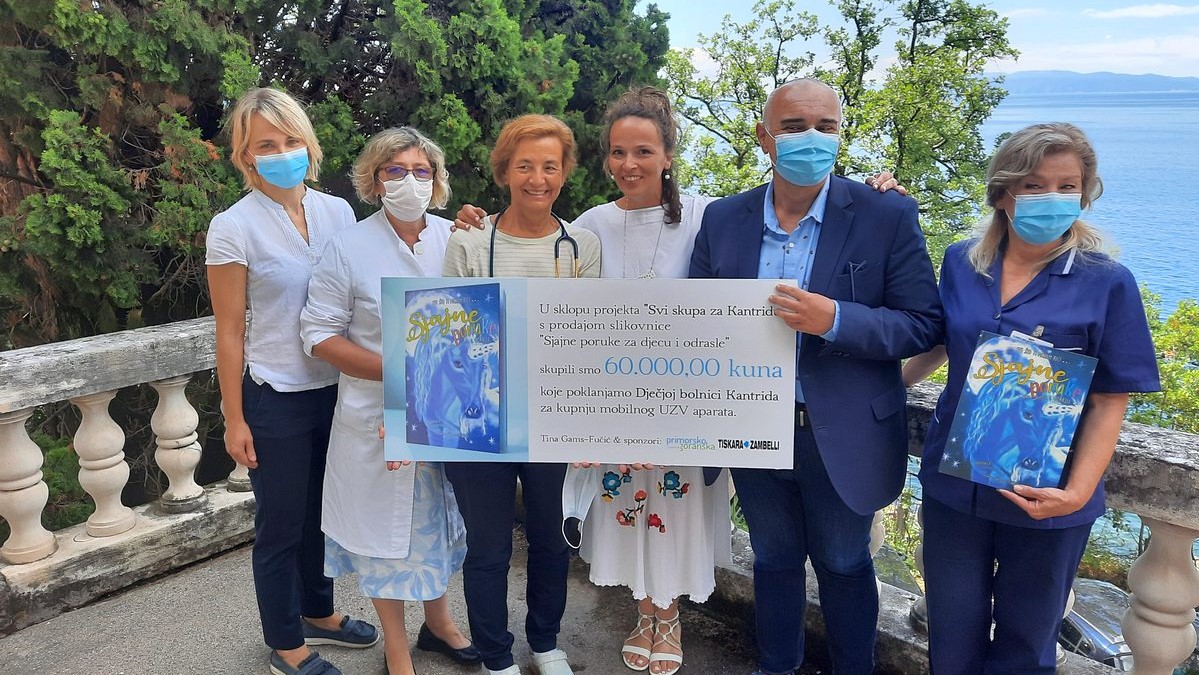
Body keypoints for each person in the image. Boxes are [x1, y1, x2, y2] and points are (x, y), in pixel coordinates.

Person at [452, 86, 908, 675]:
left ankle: (669, 618)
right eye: (618, 152)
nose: (629, 164)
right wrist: (475, 219)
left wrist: (873, 191)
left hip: (688, 409)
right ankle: (643, 614)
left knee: (681, 519)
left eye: (643, 151)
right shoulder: (588, 228)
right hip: (612, 412)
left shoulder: (709, 215)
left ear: (668, 154)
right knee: (633, 523)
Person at [688, 78, 942, 675]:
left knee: (845, 563)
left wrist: (836, 319)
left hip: (845, 431)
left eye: (826, 127)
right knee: (773, 559)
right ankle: (776, 666)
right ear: (764, 137)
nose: (811, 138)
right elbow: (695, 319)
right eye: (795, 126)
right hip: (750, 426)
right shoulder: (723, 219)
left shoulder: (885, 213)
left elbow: (924, 324)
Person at [902, 122, 1160, 674]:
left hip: (1046, 493)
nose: (1053, 198)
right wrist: (875, 388)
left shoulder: (1108, 282)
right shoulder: (961, 262)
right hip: (955, 486)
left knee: (1027, 642)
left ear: (1084, 194)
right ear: (1003, 193)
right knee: (951, 630)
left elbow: (1110, 399)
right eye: (1035, 185)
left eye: (1068, 186)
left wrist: (1077, 493)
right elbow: (942, 343)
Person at [206, 87, 377, 675]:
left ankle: (318, 612)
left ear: (309, 144)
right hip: (275, 394)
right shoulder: (233, 227)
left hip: (339, 390)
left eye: (291, 140)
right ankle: (285, 642)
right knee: (280, 526)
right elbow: (230, 332)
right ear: (245, 156)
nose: (282, 153)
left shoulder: (338, 212)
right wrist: (234, 418)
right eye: (266, 145)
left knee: (322, 514)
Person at [299, 127, 481, 675]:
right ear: (375, 181)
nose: (409, 181)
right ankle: (397, 651)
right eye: (395, 171)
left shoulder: (457, 240)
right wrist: (401, 371)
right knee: (385, 538)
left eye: (421, 171)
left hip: (447, 416)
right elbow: (318, 334)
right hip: (377, 413)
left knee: (438, 524)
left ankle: (440, 624)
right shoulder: (348, 247)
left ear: (437, 181)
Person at [441, 114, 601, 675]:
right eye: (524, 165)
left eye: (550, 166)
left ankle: (546, 643)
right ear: (504, 171)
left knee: (552, 541)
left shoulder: (582, 247)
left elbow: (589, 337)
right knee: (488, 547)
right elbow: (447, 333)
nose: (537, 178)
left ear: (565, 173)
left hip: (552, 416)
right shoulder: (469, 241)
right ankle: (495, 654)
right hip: (478, 416)